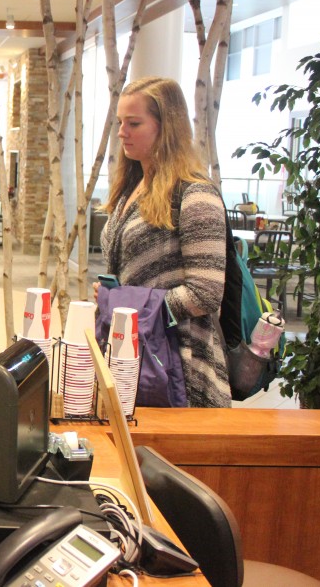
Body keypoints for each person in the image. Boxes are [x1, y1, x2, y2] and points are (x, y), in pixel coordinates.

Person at [96, 77, 230, 407]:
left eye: (134, 123)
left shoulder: (197, 194)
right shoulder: (132, 187)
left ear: (165, 126)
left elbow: (207, 292)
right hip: (135, 355)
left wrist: (129, 306)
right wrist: (114, 298)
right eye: (120, 123)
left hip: (179, 364)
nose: (122, 132)